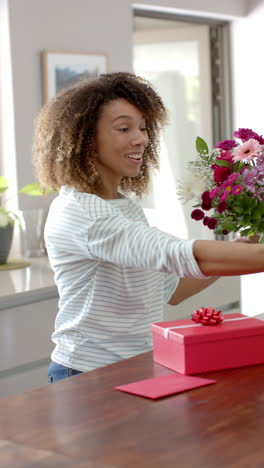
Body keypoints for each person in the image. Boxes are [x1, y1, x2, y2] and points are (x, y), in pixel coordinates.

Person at [32, 72, 263, 383]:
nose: (141, 138)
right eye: (124, 128)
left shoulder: (122, 205)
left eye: (142, 127)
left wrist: (237, 252)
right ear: (84, 138)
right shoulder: (83, 214)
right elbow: (172, 252)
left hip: (134, 367)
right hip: (85, 373)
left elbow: (172, 289)